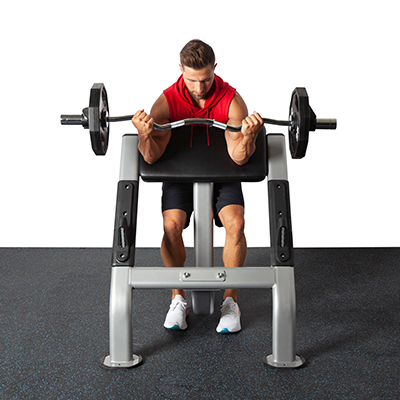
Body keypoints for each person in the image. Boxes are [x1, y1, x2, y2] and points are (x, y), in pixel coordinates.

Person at [132, 39, 263, 333]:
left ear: (214, 69)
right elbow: (152, 156)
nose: (200, 87)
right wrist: (144, 135)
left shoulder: (232, 101)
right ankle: (178, 298)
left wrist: (250, 137)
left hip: (222, 172)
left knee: (236, 223)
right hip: (180, 173)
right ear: (180, 70)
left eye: (205, 79)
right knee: (171, 226)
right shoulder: (166, 102)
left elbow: (238, 158)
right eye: (192, 80)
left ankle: (230, 302)